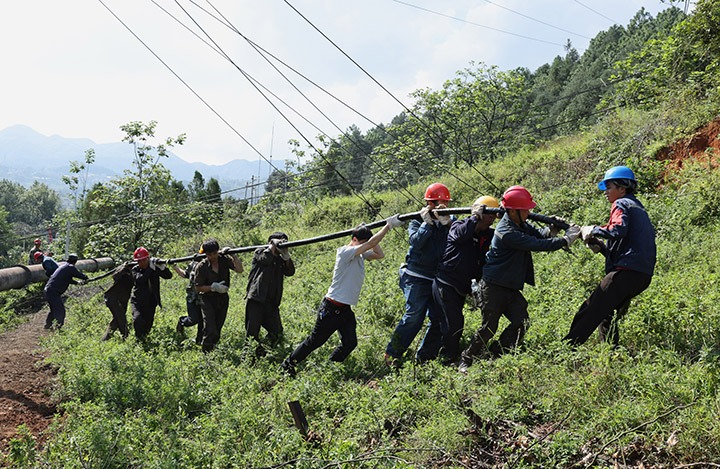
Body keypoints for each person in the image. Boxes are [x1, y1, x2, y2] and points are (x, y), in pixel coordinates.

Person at [458, 186, 581, 372]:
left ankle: (499, 352)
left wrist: (552, 229)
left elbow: (539, 235)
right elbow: (537, 244)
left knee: (521, 320)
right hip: (493, 286)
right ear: (513, 211)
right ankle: (466, 359)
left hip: (510, 285)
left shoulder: (519, 224)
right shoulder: (507, 231)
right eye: (526, 209)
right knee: (489, 327)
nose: (529, 212)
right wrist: (566, 240)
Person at [282, 214, 403, 376]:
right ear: (353, 239)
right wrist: (388, 226)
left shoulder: (360, 254)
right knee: (314, 342)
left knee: (350, 343)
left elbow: (379, 254)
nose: (365, 246)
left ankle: (329, 368)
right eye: (362, 242)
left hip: (345, 310)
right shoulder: (345, 252)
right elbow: (372, 243)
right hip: (331, 308)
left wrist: (370, 233)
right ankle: (287, 366)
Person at [564, 166, 656, 347]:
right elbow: (628, 243)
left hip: (627, 272)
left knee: (591, 308)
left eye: (609, 187)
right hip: (642, 274)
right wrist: (601, 247)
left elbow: (617, 229)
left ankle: (568, 348)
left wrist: (593, 229)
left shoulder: (621, 204)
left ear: (622, 188)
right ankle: (611, 351)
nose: (605, 192)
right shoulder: (638, 207)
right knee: (607, 312)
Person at [423, 196, 499, 365]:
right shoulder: (459, 226)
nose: (492, 219)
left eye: (494, 216)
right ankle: (447, 357)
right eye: (489, 215)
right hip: (446, 282)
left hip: (463, 286)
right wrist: (474, 218)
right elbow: (459, 236)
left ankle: (446, 354)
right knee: (453, 322)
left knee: (452, 322)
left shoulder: (487, 235)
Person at [384, 183, 453, 366]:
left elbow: (457, 239)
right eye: (439, 203)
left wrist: (448, 224)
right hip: (415, 275)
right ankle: (393, 354)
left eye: (445, 203)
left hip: (436, 276)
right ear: (429, 203)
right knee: (415, 313)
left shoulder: (448, 220)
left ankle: (425, 357)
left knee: (439, 316)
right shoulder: (417, 221)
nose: (442, 206)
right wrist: (427, 224)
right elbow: (415, 242)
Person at [245, 231, 296, 354]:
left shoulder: (281, 259)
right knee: (252, 334)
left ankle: (262, 352)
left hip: (271, 302)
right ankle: (248, 359)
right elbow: (265, 259)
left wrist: (286, 256)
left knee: (277, 333)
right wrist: (272, 247)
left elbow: (290, 272)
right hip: (256, 299)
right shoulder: (260, 251)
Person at [193, 239, 244, 352]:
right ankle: (206, 352)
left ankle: (213, 350)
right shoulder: (201, 267)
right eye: (209, 254)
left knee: (218, 326)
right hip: (207, 299)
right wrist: (212, 287)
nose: (213, 256)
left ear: (218, 251)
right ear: (206, 254)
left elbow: (240, 270)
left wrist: (234, 256)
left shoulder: (224, 260)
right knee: (210, 328)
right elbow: (198, 287)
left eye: (215, 253)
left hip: (222, 298)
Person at [130, 247, 173, 340]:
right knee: (137, 320)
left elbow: (169, 276)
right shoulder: (135, 270)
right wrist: (150, 268)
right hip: (138, 301)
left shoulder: (154, 268)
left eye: (143, 260)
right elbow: (140, 280)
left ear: (148, 258)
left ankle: (144, 340)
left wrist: (163, 268)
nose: (141, 263)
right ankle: (138, 338)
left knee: (148, 324)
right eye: (139, 261)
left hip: (151, 301)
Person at [43, 254, 89, 330]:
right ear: (75, 261)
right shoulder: (70, 267)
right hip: (53, 292)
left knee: (54, 310)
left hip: (48, 290)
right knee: (61, 310)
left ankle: (48, 325)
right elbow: (78, 274)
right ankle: (58, 328)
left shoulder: (64, 266)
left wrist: (77, 283)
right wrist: (86, 278)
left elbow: (67, 279)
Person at [173, 248, 204, 345]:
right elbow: (185, 274)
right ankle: (182, 322)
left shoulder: (211, 264)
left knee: (203, 321)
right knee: (193, 319)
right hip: (192, 297)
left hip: (205, 298)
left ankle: (199, 341)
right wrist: (175, 266)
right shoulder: (194, 263)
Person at [101, 262, 133, 341]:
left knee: (116, 320)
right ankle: (126, 338)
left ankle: (105, 339)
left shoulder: (135, 273)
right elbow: (115, 276)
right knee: (121, 319)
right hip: (113, 298)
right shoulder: (124, 272)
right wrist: (124, 268)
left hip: (123, 299)